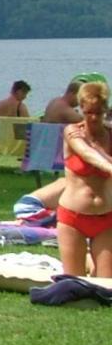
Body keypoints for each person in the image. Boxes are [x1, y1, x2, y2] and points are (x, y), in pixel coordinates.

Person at [56, 81, 112, 278]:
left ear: (106, 109)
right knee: (74, 284)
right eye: (88, 112)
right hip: (73, 216)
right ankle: (87, 262)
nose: (93, 117)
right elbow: (88, 154)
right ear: (80, 109)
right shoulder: (73, 132)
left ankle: (92, 263)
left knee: (107, 287)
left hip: (106, 217)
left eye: (98, 112)